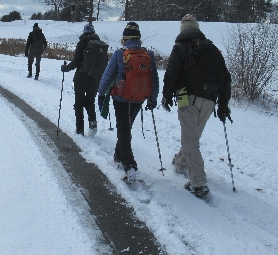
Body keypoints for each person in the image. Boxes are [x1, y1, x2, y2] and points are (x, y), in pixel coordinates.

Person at [162, 14, 231, 197]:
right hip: (209, 101)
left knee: (190, 139)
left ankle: (199, 183)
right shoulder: (212, 48)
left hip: (188, 99)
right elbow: (226, 78)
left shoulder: (180, 47)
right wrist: (223, 105)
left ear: (182, 29)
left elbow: (171, 73)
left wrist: (166, 95)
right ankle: (181, 163)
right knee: (192, 137)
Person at [97, 22, 159, 183]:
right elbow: (154, 79)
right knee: (126, 128)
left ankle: (130, 166)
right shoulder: (148, 54)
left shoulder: (119, 53)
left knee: (123, 131)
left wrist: (101, 94)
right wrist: (152, 98)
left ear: (124, 38)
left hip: (121, 98)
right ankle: (118, 156)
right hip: (139, 97)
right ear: (139, 38)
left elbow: (107, 75)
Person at [60, 23, 101, 136]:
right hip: (94, 78)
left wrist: (65, 68)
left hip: (81, 77)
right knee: (90, 102)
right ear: (93, 31)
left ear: (84, 31)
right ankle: (92, 124)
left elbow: (76, 62)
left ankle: (79, 130)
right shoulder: (99, 45)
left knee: (79, 103)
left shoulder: (82, 43)